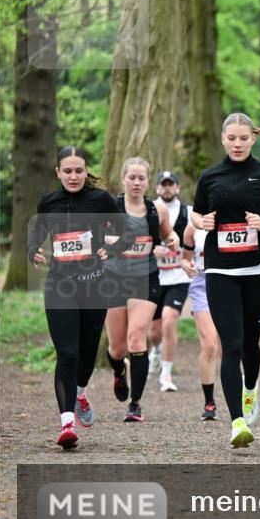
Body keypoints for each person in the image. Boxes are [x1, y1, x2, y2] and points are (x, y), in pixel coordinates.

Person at [191, 112, 260, 448]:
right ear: (223, 139)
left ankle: (250, 387)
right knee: (230, 345)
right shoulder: (210, 177)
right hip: (220, 271)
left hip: (257, 271)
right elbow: (196, 213)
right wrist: (201, 221)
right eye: (231, 138)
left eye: (243, 139)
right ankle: (237, 422)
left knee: (251, 346)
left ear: (253, 139)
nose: (237, 144)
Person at [28, 146, 133, 449]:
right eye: (67, 171)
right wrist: (33, 251)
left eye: (79, 170)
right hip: (60, 286)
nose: (73, 176)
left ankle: (81, 393)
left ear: (86, 171)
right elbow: (36, 236)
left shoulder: (100, 200)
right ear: (57, 172)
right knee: (67, 354)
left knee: (86, 356)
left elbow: (127, 234)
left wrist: (110, 250)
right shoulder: (48, 203)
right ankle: (67, 423)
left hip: (94, 286)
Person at [103, 157, 180, 423]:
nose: (136, 182)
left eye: (141, 178)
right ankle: (118, 372)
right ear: (123, 178)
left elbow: (169, 235)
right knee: (117, 349)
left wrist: (172, 240)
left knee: (137, 338)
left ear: (148, 182)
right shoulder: (109, 207)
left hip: (144, 279)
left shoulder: (156, 211)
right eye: (132, 177)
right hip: (113, 279)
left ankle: (135, 404)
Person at [147, 170, 192, 392]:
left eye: (170, 184)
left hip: (178, 276)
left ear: (177, 188)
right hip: (153, 276)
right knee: (154, 332)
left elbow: (197, 239)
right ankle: (155, 351)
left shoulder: (188, 212)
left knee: (168, 321)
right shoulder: (148, 211)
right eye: (163, 185)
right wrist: (152, 250)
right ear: (156, 188)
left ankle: (166, 374)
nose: (167, 188)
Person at [181, 222, 220, 421]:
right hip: (202, 283)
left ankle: (245, 394)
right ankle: (209, 401)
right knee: (210, 345)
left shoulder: (233, 220)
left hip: (227, 282)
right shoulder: (193, 227)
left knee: (231, 345)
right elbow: (185, 259)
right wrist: (186, 265)